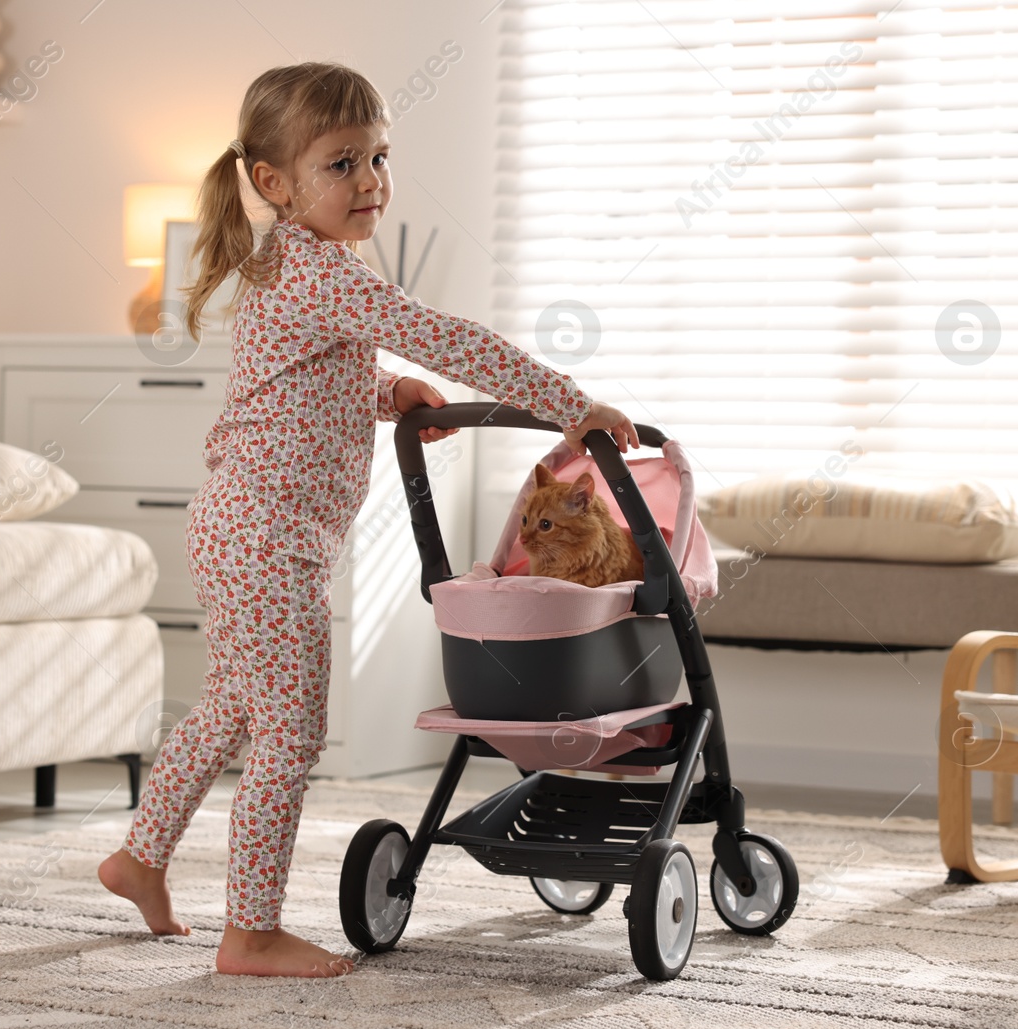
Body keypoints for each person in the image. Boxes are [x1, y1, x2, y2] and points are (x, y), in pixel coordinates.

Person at [98, 62, 636, 978]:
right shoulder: (316, 270)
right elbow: (447, 334)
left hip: (242, 526)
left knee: (232, 702)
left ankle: (139, 857)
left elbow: (298, 386)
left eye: (378, 158)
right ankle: (251, 930)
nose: (371, 181)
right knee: (292, 730)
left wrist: (387, 393)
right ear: (273, 182)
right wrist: (566, 402)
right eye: (343, 163)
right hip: (266, 537)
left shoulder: (301, 269)